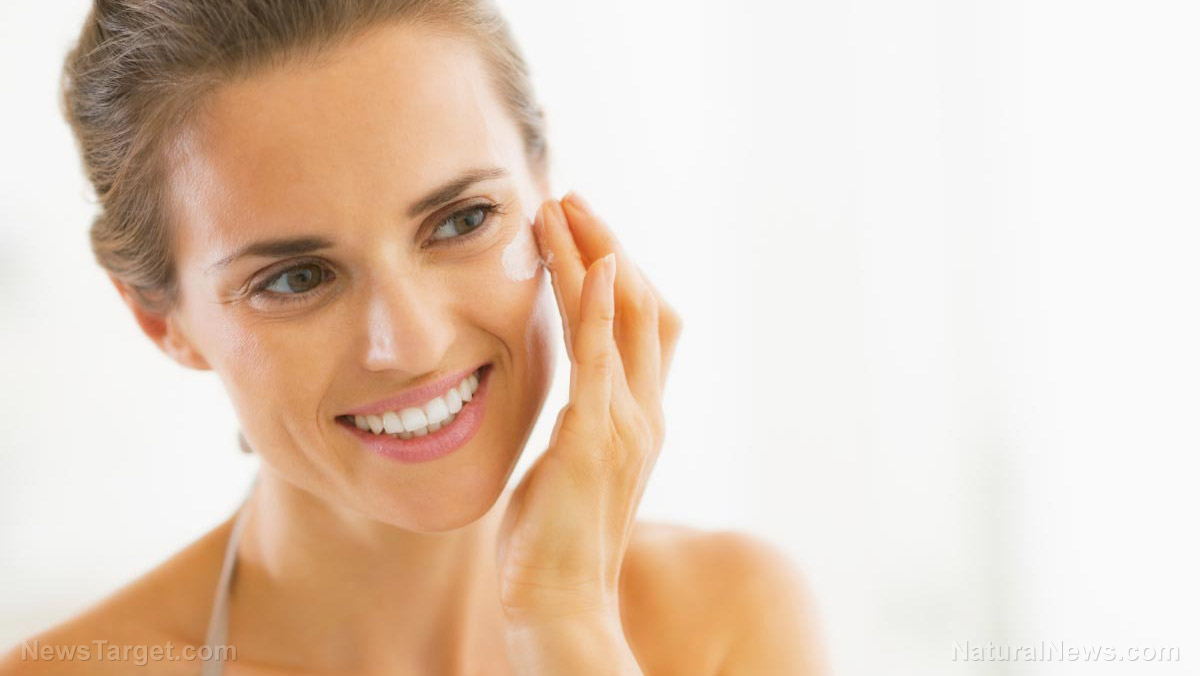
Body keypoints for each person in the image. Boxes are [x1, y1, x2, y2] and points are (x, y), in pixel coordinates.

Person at [1, 1, 825, 673]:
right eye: (297, 277)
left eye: (463, 220)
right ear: (162, 320)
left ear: (545, 188)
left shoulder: (727, 619)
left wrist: (566, 619)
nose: (413, 344)